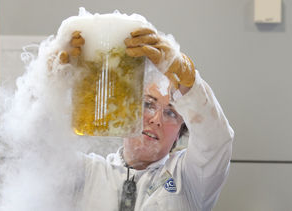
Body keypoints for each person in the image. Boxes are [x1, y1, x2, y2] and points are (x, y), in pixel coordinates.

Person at [55, 27, 234, 211]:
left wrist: (186, 76)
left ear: (180, 131)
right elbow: (31, 151)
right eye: (148, 104)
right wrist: (49, 82)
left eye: (171, 113)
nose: (156, 119)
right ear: (126, 109)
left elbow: (215, 141)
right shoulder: (85, 172)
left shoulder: (188, 179)